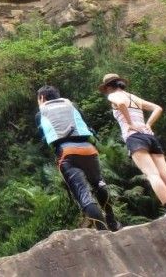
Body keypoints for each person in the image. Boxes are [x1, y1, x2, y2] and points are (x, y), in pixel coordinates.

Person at [99, 73, 166, 215]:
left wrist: (130, 123)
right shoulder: (133, 97)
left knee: (152, 175)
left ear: (109, 86)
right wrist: (148, 124)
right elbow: (158, 108)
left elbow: (121, 104)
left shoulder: (113, 96)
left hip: (134, 137)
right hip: (149, 136)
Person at [36, 85, 121, 231]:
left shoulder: (40, 113)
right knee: (99, 184)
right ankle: (112, 222)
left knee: (83, 194)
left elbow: (44, 136)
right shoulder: (72, 105)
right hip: (89, 149)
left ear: (42, 98)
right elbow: (85, 124)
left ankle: (103, 231)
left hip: (66, 152)